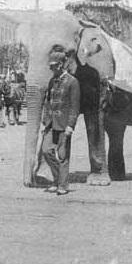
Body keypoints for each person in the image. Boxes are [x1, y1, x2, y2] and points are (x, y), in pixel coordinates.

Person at [40, 51, 81, 196]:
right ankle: (58, 179)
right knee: (46, 151)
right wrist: (45, 121)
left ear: (61, 65)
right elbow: (48, 102)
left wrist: (71, 125)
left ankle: (62, 184)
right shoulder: (52, 81)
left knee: (63, 155)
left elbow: (75, 107)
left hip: (64, 124)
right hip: (51, 124)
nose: (51, 69)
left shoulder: (72, 82)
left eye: (54, 66)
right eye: (50, 67)